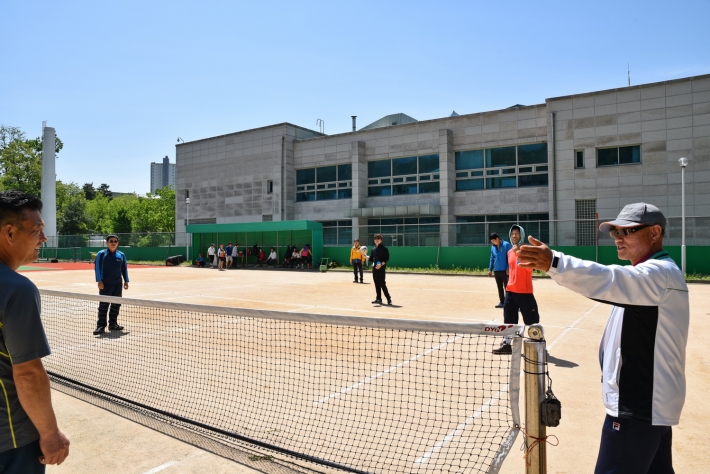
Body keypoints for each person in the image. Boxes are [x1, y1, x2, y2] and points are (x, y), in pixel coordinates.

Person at [515, 203, 687, 474]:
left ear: (655, 233)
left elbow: (608, 279)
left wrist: (555, 262)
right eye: (615, 232)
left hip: (638, 406)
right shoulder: (654, 275)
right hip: (650, 406)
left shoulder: (657, 274)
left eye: (627, 231)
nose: (618, 237)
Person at [0, 190, 70, 471]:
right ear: (9, 233)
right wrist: (51, 434)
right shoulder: (16, 290)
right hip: (11, 440)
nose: (44, 238)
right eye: (37, 230)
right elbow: (27, 372)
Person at [492, 225, 539, 355]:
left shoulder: (527, 250)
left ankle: (537, 344)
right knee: (508, 319)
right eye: (512, 233)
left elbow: (529, 268)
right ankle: (507, 344)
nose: (514, 236)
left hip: (525, 292)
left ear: (521, 235)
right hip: (511, 291)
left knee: (531, 320)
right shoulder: (509, 252)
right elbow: (511, 269)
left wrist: (519, 252)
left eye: (517, 233)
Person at [94, 234, 130, 335]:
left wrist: (126, 281)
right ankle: (100, 326)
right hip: (105, 284)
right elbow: (97, 268)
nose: (113, 243)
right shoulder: (101, 254)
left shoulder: (121, 255)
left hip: (118, 283)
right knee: (103, 305)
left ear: (118, 243)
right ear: (107, 243)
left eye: (115, 241)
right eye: (111, 241)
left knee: (116, 304)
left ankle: (113, 324)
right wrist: (99, 281)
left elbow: (124, 268)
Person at [488, 232, 512, 308]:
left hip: (505, 270)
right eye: (491, 241)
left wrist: (508, 268)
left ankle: (509, 302)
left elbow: (510, 257)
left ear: (497, 238)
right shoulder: (493, 247)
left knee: (507, 287)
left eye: (493, 241)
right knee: (499, 287)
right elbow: (492, 258)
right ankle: (502, 302)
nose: (493, 242)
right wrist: (490, 269)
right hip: (496, 271)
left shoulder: (506, 245)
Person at [369, 234, 391, 305]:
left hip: (381, 269)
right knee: (376, 284)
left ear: (381, 240)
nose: (376, 240)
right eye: (375, 238)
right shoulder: (373, 249)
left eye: (378, 239)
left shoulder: (384, 248)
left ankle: (388, 298)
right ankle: (378, 299)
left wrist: (381, 265)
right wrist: (367, 257)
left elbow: (386, 258)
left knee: (382, 284)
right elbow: (372, 259)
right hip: (374, 269)